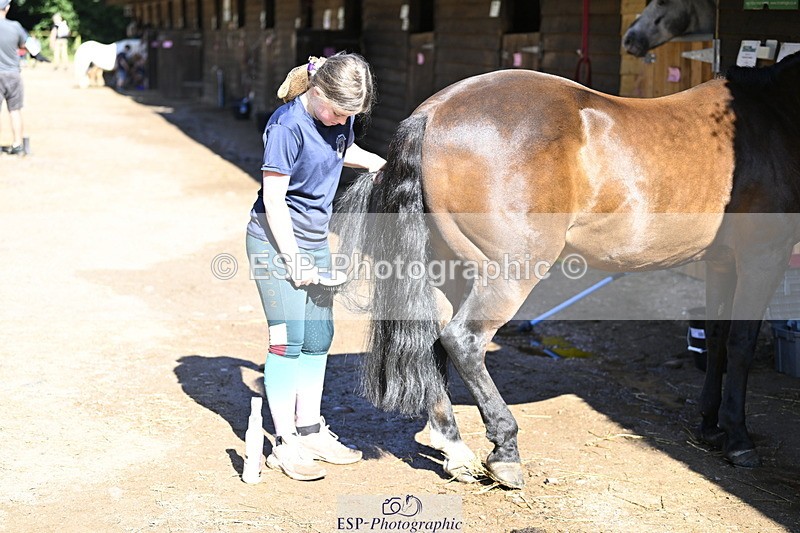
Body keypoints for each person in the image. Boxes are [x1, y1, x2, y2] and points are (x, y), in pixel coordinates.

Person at [245, 52, 386, 481]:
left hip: (314, 240)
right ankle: (285, 441)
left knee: (318, 337)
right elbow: (273, 201)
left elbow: (338, 151)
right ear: (317, 91)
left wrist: (374, 161)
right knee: (287, 342)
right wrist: (294, 260)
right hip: (275, 243)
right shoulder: (286, 126)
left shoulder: (336, 119)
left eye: (349, 114)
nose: (340, 119)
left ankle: (310, 429)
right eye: (337, 110)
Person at [0, 0, 27, 155]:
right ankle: (18, 145)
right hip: (13, 75)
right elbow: (25, 45)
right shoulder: (15, 26)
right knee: (15, 110)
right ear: (7, 7)